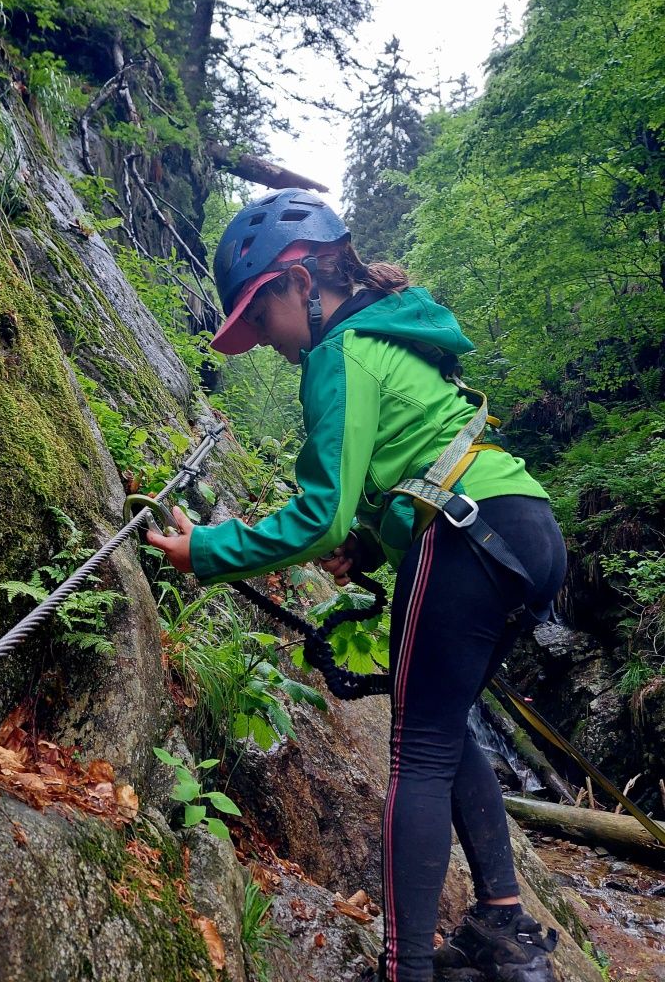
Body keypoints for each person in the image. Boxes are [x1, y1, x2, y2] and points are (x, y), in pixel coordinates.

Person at [147, 188, 567, 982]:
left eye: (259, 320)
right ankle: (502, 925)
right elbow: (407, 465)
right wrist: (374, 550)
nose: (266, 344)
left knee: (418, 748)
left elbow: (319, 517)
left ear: (298, 283)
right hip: (524, 525)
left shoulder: (339, 354)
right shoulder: (386, 336)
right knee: (446, 727)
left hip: (466, 534)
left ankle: (404, 967)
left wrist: (204, 548)